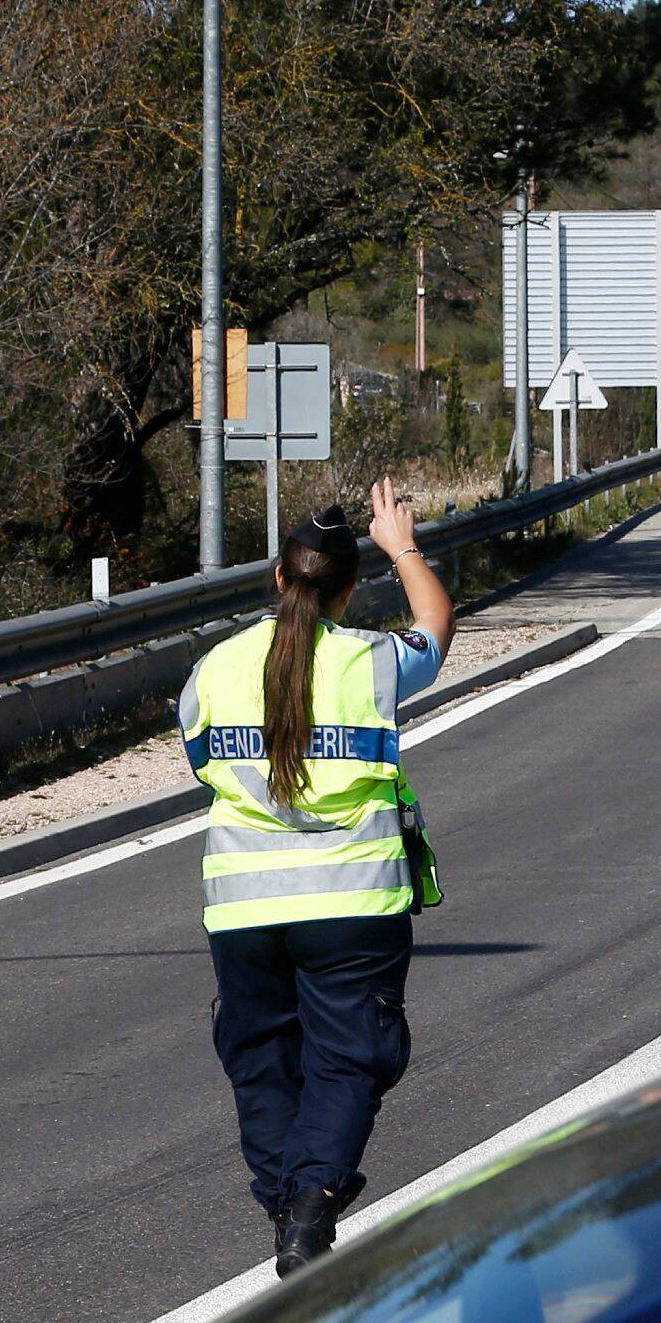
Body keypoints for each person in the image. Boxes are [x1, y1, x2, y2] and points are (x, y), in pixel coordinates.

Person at [179, 480, 454, 1274]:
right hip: (353, 902)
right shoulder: (370, 663)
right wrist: (401, 544)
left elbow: (205, 771)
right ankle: (308, 1208)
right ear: (346, 588)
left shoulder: (210, 672)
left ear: (276, 578)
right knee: (348, 1059)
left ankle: (286, 1208)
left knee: (260, 1057)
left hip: (243, 909)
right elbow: (434, 626)